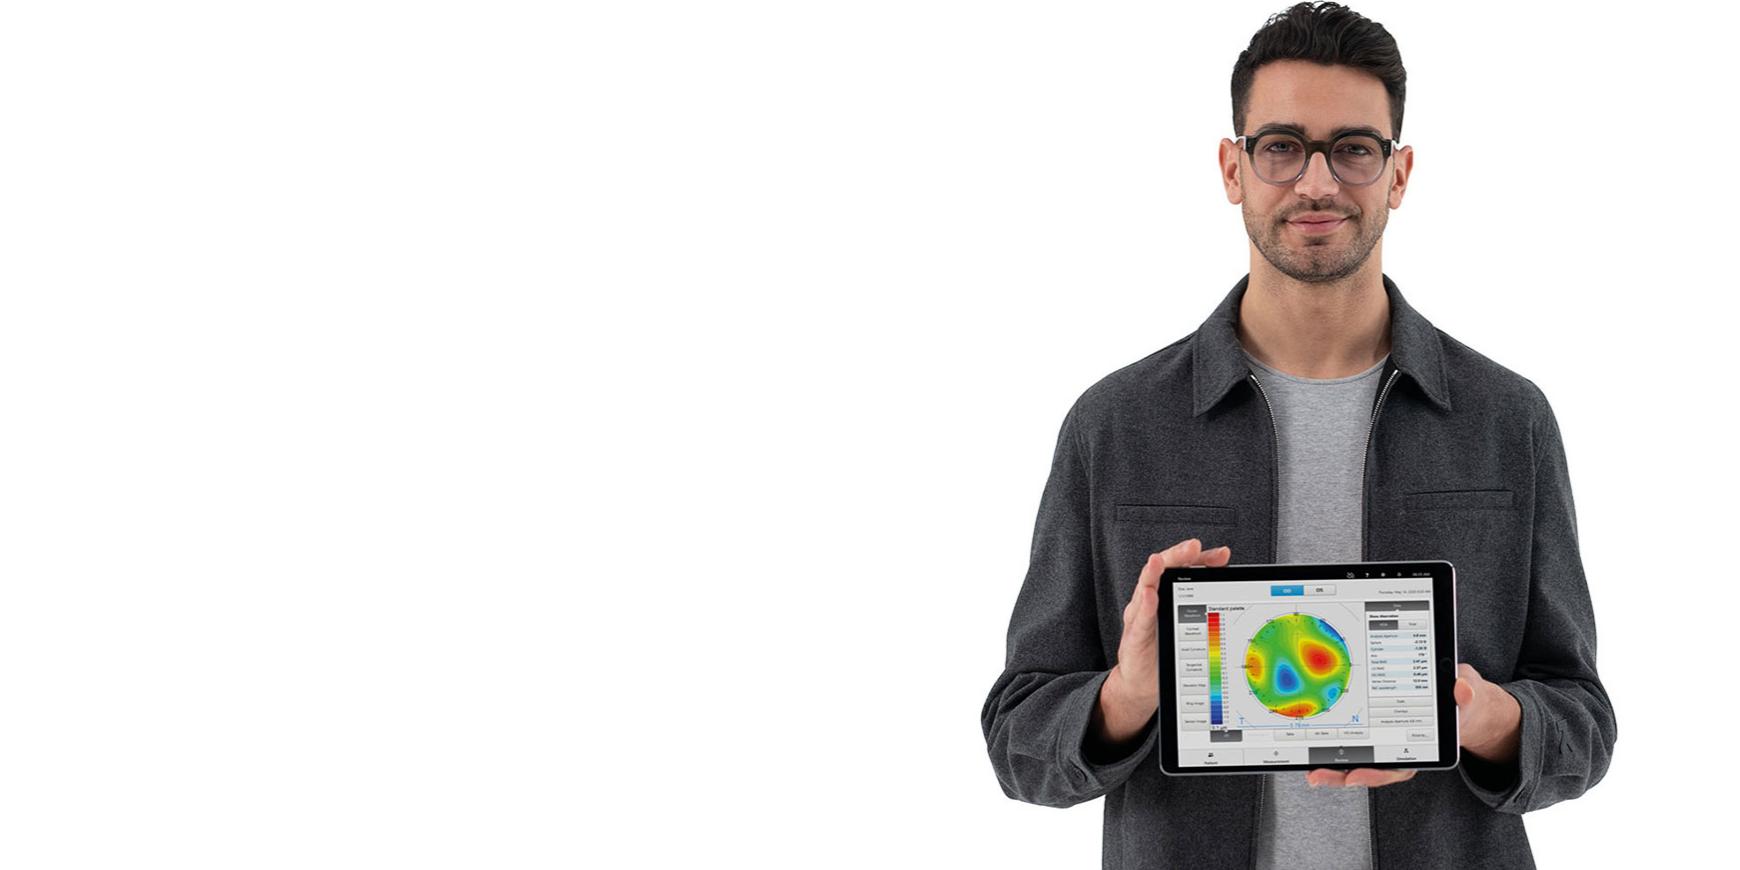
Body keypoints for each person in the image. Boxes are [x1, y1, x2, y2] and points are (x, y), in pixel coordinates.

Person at [978, 3, 1617, 868]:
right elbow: (1020, 737)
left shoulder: (1508, 419)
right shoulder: (1116, 424)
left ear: (1399, 174)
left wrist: (1487, 719)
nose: (1317, 182)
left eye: (1354, 148)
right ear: (1232, 168)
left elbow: (1583, 719)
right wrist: (1126, 695)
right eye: (1281, 145)